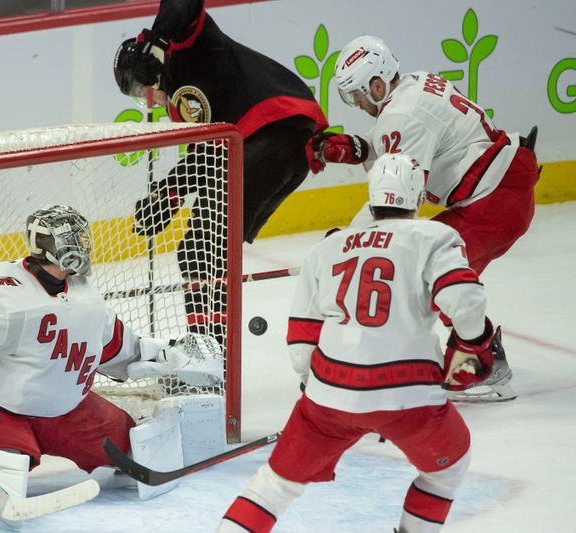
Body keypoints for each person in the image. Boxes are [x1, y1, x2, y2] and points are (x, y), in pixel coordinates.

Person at [0, 204, 224, 525]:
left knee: (131, 444)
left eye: (83, 238)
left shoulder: (86, 295)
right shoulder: (5, 296)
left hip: (71, 411)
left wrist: (169, 355)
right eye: (73, 239)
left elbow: (117, 349)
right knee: (8, 465)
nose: (82, 246)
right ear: (47, 245)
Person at [218, 154, 495, 533]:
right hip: (408, 397)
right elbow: (463, 299)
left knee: (273, 487)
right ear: (416, 196)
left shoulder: (328, 247)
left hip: (329, 396)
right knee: (445, 472)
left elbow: (301, 342)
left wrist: (319, 393)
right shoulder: (435, 236)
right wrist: (473, 343)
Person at [308, 35, 541, 402]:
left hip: (493, 205)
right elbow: (394, 145)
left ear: (378, 84)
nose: (356, 103)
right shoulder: (415, 83)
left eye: (357, 94)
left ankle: (482, 364)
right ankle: (474, 353)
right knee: (427, 273)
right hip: (500, 192)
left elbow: (397, 201)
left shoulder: (402, 115)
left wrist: (348, 241)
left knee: (426, 274)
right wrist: (355, 148)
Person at [113, 0, 328, 343]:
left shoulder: (185, 47)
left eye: (142, 91)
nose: (149, 102)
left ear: (147, 69)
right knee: (213, 248)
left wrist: (157, 37)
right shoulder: (182, 107)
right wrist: (168, 195)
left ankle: (207, 348)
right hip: (279, 153)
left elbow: (183, 6)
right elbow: (208, 160)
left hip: (273, 136)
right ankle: (214, 345)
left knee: (200, 247)